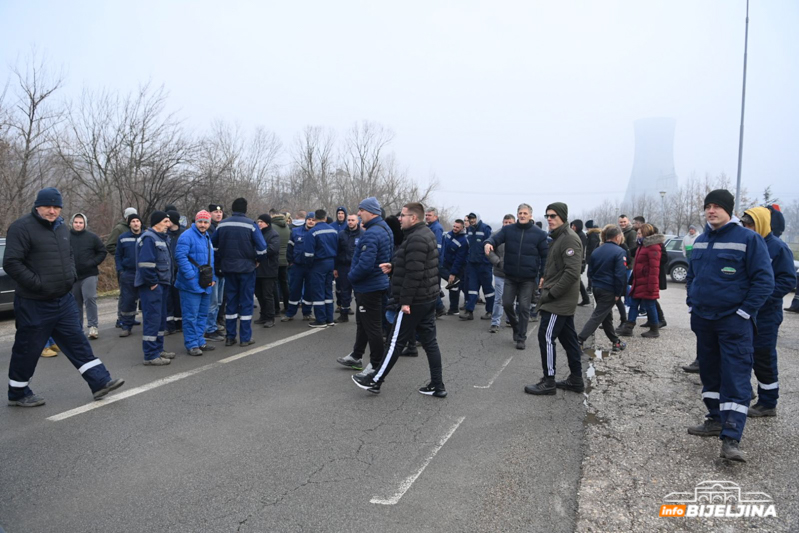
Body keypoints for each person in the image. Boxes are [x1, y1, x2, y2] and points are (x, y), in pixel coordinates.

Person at [5, 187, 124, 406]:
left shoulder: (61, 229)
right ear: (37, 206)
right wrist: (38, 284)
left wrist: (70, 277)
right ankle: (18, 393)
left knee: (77, 341)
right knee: (28, 349)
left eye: (56, 207)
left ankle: (99, 382)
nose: (52, 211)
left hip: (63, 299)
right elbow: (11, 262)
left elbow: (68, 255)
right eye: (47, 206)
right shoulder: (21, 228)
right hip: (34, 302)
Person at [685, 189, 773, 462]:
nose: (711, 211)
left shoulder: (749, 239)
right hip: (704, 321)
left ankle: (731, 438)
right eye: (708, 206)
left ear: (729, 210)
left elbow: (764, 281)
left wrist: (744, 313)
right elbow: (692, 276)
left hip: (733, 323)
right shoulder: (700, 241)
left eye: (717, 206)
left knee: (735, 377)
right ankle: (714, 418)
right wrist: (692, 303)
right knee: (710, 374)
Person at [352, 202, 446, 397]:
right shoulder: (421, 234)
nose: (399, 219)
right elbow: (415, 263)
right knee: (430, 343)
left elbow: (415, 274)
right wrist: (393, 266)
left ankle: (375, 380)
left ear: (413, 218)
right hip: (426, 298)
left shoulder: (417, 238)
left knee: (394, 342)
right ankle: (438, 385)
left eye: (403, 215)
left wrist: (405, 302)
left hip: (415, 300)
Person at [738, 207, 795, 416]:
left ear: (761, 223)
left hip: (766, 315)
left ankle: (768, 402)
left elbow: (787, 280)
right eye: (744, 224)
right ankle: (745, 391)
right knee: (742, 354)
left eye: (750, 224)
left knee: (763, 355)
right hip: (745, 312)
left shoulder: (778, 248)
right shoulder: (747, 243)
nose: (746, 228)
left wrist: (762, 297)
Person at [524, 202, 583, 395]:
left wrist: (552, 293)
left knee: (546, 336)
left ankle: (548, 381)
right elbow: (558, 267)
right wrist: (546, 278)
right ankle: (576, 379)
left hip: (559, 301)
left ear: (563, 217)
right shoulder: (557, 237)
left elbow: (573, 272)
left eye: (553, 216)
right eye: (547, 215)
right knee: (569, 340)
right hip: (557, 296)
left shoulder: (569, 239)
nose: (549, 219)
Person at [336, 197, 393, 372]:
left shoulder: (372, 233)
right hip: (375, 284)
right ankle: (356, 356)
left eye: (361, 210)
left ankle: (376, 365)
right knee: (363, 323)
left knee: (372, 327)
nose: (359, 214)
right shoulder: (383, 228)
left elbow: (366, 264)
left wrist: (351, 277)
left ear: (371, 211)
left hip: (369, 287)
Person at [485, 204, 548, 349]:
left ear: (530, 215)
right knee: (507, 303)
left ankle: (521, 337)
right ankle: (516, 327)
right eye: (520, 213)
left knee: (524, 308)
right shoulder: (508, 230)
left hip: (528, 278)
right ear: (517, 214)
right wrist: (488, 243)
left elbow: (546, 256)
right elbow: (494, 239)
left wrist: (544, 275)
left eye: (525, 213)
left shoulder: (539, 233)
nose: (522, 215)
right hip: (511, 276)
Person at [211, 198, 267, 346]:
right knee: (246, 303)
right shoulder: (251, 224)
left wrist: (220, 260)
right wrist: (257, 260)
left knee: (231, 303)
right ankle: (245, 338)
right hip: (247, 269)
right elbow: (262, 248)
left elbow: (213, 246)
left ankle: (230, 337)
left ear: (232, 208)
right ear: (245, 209)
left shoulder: (222, 224)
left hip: (228, 268)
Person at [577, 225, 627, 352]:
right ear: (617, 237)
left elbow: (590, 272)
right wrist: (618, 292)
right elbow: (620, 275)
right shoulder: (620, 252)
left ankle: (615, 342)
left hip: (597, 287)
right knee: (598, 316)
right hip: (609, 289)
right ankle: (579, 340)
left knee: (606, 316)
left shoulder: (597, 250)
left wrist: (595, 284)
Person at [136, 211, 176, 366]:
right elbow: (145, 265)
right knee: (152, 320)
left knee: (160, 319)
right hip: (152, 287)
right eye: (166, 221)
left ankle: (158, 349)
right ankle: (150, 355)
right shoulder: (149, 238)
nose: (169, 224)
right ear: (157, 222)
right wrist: (153, 283)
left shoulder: (161, 238)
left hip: (162, 285)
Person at [175, 210, 217, 356]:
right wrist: (191, 277)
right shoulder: (186, 236)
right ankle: (192, 344)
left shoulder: (207, 237)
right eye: (200, 222)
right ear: (195, 221)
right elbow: (180, 257)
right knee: (190, 316)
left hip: (205, 283)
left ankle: (200, 341)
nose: (203, 225)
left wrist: (213, 279)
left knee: (202, 315)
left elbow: (210, 259)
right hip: (190, 284)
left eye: (206, 222)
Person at [616, 224, 664, 338]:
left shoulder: (653, 247)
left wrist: (652, 286)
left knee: (650, 304)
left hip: (647, 282)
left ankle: (654, 329)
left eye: (639, 233)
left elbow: (654, 268)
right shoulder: (642, 246)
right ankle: (628, 328)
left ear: (646, 234)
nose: (637, 235)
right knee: (634, 303)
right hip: (639, 281)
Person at [69, 213, 107, 339]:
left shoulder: (92, 237)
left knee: (90, 298)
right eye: (76, 222)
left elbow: (102, 252)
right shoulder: (66, 237)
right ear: (72, 223)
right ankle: (77, 328)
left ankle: (93, 327)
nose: (78, 225)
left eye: (80, 222)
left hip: (89, 274)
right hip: (73, 276)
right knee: (75, 303)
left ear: (85, 224)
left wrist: (93, 262)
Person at [305, 209, 339, 328]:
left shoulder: (312, 232)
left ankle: (321, 320)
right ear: (325, 218)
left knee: (318, 292)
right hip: (331, 262)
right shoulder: (333, 231)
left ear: (314, 218)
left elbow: (308, 254)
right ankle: (329, 318)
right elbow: (338, 249)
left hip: (318, 264)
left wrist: (309, 265)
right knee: (328, 290)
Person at [106, 206, 138, 328]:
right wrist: (123, 257)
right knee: (124, 295)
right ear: (126, 218)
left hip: (137, 269)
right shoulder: (119, 229)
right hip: (125, 268)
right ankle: (121, 318)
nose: (133, 221)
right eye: (130, 217)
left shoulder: (139, 228)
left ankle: (131, 317)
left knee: (135, 295)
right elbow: (109, 245)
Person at [461, 212, 494, 320]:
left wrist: (487, 261)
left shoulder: (485, 228)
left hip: (484, 265)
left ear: (478, 218)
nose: (472, 220)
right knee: (471, 288)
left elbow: (491, 244)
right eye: (470, 219)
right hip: (472, 264)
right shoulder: (469, 229)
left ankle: (490, 311)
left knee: (488, 289)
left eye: (473, 218)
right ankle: (469, 311)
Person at [283, 213, 316, 321]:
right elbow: (290, 248)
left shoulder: (316, 232)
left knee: (309, 290)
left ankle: (307, 313)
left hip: (311, 267)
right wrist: (291, 262)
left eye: (313, 220)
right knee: (294, 290)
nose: (311, 221)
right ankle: (290, 313)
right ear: (306, 220)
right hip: (297, 266)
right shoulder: (296, 232)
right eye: (309, 219)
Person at [486, 214, 514, 333]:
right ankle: (495, 322)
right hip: (499, 272)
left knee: (512, 299)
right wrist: (498, 262)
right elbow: (489, 252)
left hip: (514, 273)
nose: (507, 225)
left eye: (509, 222)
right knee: (499, 299)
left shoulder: (518, 236)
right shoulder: (496, 235)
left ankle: (511, 319)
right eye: (505, 222)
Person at [116, 214, 143, 337]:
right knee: (128, 301)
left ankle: (149, 326)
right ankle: (126, 326)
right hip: (129, 273)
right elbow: (118, 256)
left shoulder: (146, 236)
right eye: (133, 221)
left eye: (138, 221)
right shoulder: (123, 238)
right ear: (129, 224)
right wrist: (121, 270)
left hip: (144, 273)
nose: (136, 223)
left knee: (146, 300)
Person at [334, 213, 364, 323]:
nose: (350, 222)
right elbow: (337, 251)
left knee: (359, 293)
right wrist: (335, 268)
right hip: (343, 267)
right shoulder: (341, 234)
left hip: (357, 267)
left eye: (352, 220)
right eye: (349, 220)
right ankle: (344, 314)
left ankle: (361, 317)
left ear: (357, 221)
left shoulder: (363, 234)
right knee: (344, 292)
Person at [204, 203, 226, 341]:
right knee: (212, 303)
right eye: (215, 212)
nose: (218, 214)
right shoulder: (209, 229)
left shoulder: (221, 227)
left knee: (218, 302)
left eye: (220, 212)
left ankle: (215, 325)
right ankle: (209, 329)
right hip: (212, 271)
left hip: (222, 270)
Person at [254, 214, 280, 328]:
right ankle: (263, 315)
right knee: (259, 294)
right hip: (257, 269)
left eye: (262, 222)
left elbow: (272, 249)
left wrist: (258, 253)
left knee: (267, 295)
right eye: (258, 221)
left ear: (267, 223)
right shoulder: (256, 233)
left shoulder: (273, 234)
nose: (259, 223)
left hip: (269, 269)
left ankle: (270, 317)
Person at [440, 219, 468, 315]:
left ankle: (454, 308)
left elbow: (459, 259)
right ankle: (453, 308)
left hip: (457, 267)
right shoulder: (448, 234)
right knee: (453, 285)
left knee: (455, 286)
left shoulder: (463, 241)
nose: (455, 228)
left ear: (462, 228)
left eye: (457, 227)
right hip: (446, 263)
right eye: (454, 226)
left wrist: (453, 273)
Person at [165, 210, 185, 335]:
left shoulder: (183, 234)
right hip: (167, 272)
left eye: (169, 220)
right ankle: (169, 326)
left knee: (179, 299)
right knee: (168, 299)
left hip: (180, 271)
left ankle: (180, 324)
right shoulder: (164, 234)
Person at [270, 210, 291, 315]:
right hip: (285, 259)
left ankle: (276, 308)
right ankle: (287, 307)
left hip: (274, 259)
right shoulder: (287, 227)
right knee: (284, 283)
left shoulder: (272, 227)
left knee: (274, 283)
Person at [425, 207, 446, 316]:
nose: (427, 217)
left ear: (436, 217)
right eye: (426, 215)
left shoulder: (437, 228)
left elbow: (437, 247)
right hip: (432, 261)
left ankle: (439, 307)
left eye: (429, 215)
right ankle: (438, 308)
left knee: (432, 286)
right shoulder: (429, 227)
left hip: (434, 261)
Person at [571, 219, 591, 306]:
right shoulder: (579, 235)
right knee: (577, 280)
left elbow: (580, 250)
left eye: (574, 226)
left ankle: (584, 298)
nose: (572, 228)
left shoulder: (580, 236)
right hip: (579, 260)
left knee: (576, 280)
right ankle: (585, 298)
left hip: (578, 261)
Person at [584, 220, 601, 293]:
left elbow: (592, 247)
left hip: (592, 257)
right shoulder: (596, 234)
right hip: (594, 257)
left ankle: (590, 288)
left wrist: (590, 257)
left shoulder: (592, 235)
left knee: (590, 273)